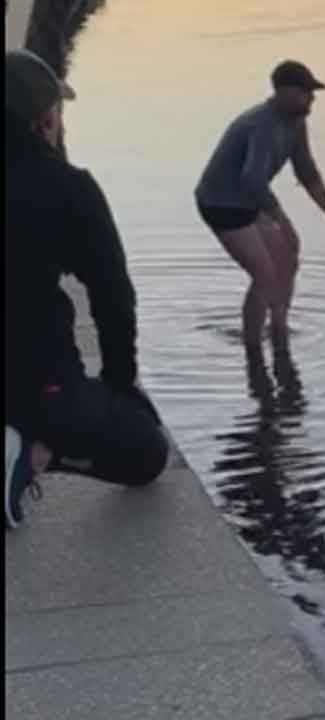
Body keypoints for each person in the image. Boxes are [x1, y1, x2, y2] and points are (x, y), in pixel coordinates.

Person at [5, 49, 169, 530]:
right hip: (35, 382)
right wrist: (120, 382)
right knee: (146, 452)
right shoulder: (67, 188)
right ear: (44, 120)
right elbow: (114, 296)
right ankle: (34, 451)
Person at [194, 59, 325, 362]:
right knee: (264, 274)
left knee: (289, 254)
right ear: (285, 92)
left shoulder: (295, 122)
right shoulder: (262, 125)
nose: (312, 99)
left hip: (250, 199)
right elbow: (251, 178)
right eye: (306, 92)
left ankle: (279, 331)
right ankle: (253, 351)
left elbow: (307, 173)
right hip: (221, 203)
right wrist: (279, 218)